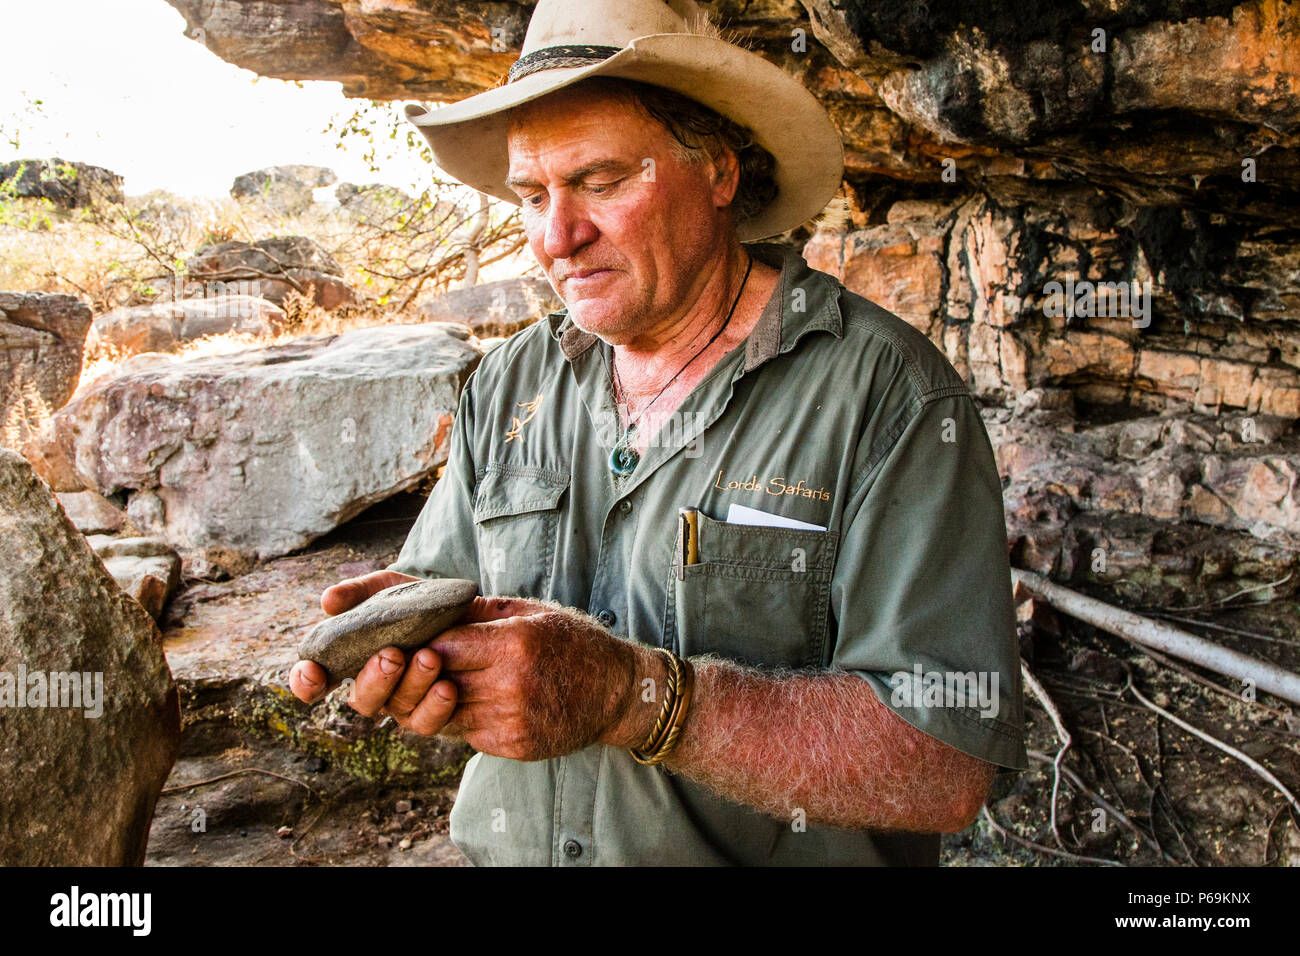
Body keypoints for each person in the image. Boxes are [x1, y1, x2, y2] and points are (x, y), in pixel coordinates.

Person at [290, 0, 1028, 865]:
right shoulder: (511, 382)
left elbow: (947, 762)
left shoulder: (888, 398)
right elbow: (447, 590)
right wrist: (404, 641)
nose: (557, 236)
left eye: (601, 182)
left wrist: (635, 698)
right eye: (533, 195)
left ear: (717, 170)